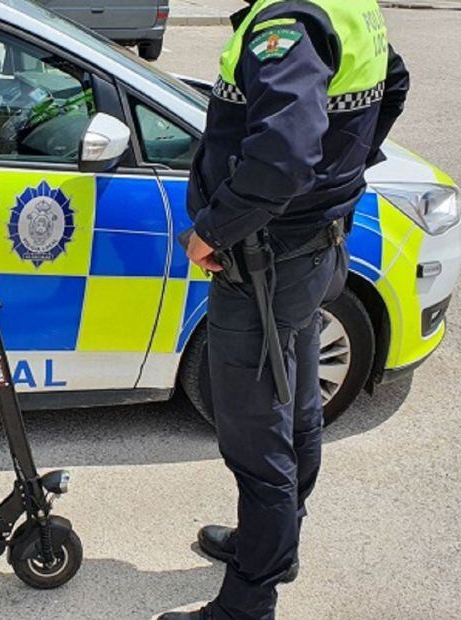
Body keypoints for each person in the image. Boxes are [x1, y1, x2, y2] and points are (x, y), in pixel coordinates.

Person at [161, 0, 409, 618]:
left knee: (254, 434)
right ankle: (277, 542)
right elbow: (394, 81)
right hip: (312, 248)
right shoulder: (344, 6)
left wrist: (214, 229)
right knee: (295, 405)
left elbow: (282, 156)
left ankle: (249, 601)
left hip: (266, 258)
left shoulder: (285, 24)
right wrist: (338, 177)